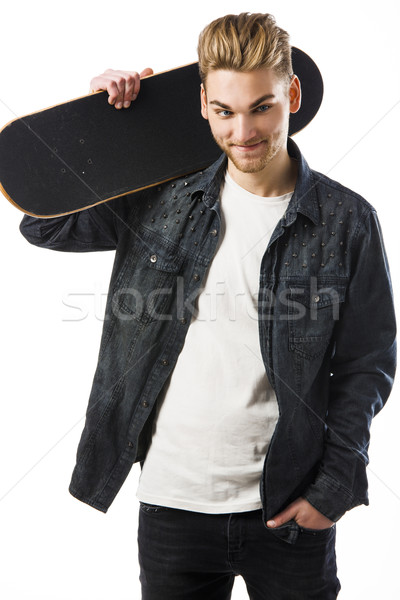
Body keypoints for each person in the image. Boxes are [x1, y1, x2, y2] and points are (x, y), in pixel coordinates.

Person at [19, 12, 396, 600]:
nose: (242, 131)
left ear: (292, 93)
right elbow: (43, 228)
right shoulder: (160, 196)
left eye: (261, 107)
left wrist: (333, 488)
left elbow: (367, 362)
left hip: (289, 507)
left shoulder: (346, 220)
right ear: (201, 103)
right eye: (224, 110)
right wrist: (101, 130)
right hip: (172, 507)